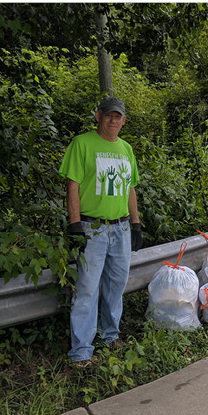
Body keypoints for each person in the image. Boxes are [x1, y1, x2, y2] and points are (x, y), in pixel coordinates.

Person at [61, 96, 141, 367]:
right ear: (98, 116)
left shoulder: (126, 149)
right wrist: (75, 224)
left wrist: (136, 223)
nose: (113, 120)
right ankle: (82, 350)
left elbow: (130, 188)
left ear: (124, 120)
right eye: (108, 115)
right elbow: (72, 186)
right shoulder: (82, 144)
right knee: (86, 289)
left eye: (118, 116)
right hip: (92, 228)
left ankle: (109, 336)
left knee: (116, 286)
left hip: (120, 228)